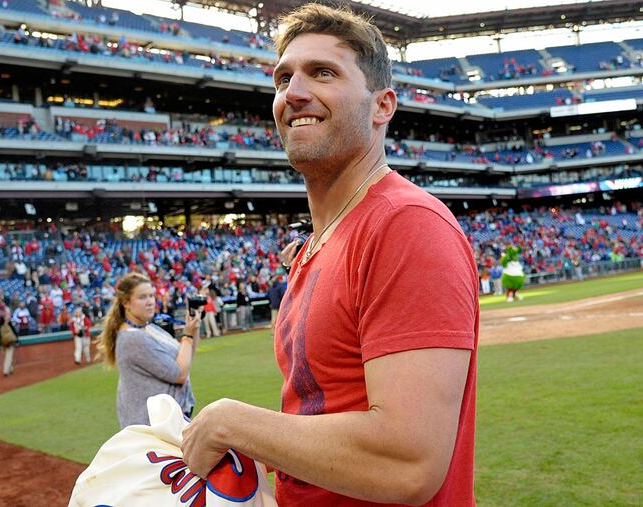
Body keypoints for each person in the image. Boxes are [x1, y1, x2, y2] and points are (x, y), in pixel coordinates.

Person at [181, 5, 479, 506]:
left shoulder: (405, 225)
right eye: (282, 79)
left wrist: (233, 422)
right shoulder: (317, 243)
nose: (293, 93)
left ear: (382, 106)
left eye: (323, 73)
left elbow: (409, 463)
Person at [97, 272, 201, 429]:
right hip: (152, 427)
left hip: (168, 421)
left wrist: (194, 328)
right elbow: (180, 374)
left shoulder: (149, 328)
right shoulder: (133, 339)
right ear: (126, 302)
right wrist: (187, 335)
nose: (150, 302)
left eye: (151, 296)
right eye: (142, 297)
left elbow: (186, 357)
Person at [0, 307, 18, 377]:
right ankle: (6, 370)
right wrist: (16, 340)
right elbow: (14, 333)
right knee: (8, 357)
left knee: (6, 357)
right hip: (10, 343)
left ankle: (8, 369)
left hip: (2, 344)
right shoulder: (9, 324)